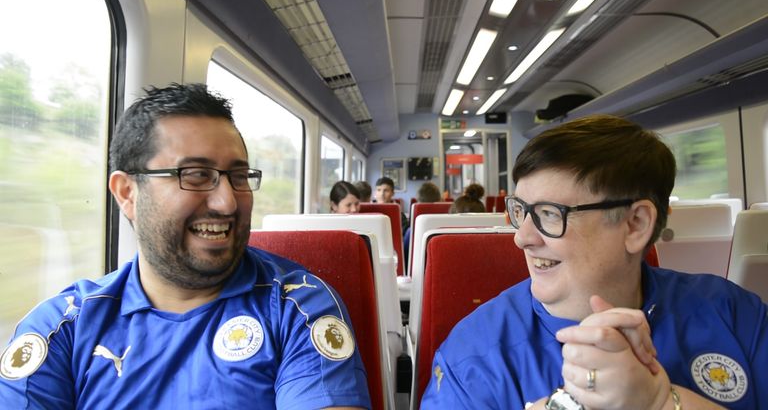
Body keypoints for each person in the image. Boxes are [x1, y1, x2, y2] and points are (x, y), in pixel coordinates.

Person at [0, 83, 370, 409]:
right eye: (196, 175)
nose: (227, 202)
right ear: (128, 193)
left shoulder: (297, 307)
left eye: (238, 176)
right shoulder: (63, 328)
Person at [421, 115, 767, 409]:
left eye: (548, 213)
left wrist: (661, 401)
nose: (522, 237)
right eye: (521, 211)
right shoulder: (474, 357)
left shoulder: (732, 314)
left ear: (636, 225)